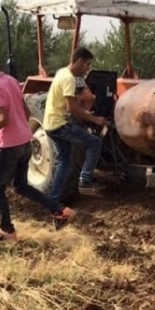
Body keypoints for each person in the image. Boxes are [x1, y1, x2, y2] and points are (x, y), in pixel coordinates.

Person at [0, 43, 76, 242]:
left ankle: (7, 231)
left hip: (8, 145)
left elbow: (2, 119)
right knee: (20, 185)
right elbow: (26, 112)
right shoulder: (10, 81)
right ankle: (61, 210)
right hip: (24, 141)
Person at [42, 46, 107, 200]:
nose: (87, 69)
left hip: (51, 124)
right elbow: (72, 108)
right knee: (94, 143)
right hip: (60, 125)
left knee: (64, 163)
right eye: (87, 64)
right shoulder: (69, 79)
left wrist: (85, 110)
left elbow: (78, 100)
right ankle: (85, 181)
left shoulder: (62, 72)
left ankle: (54, 200)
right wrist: (95, 119)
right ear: (79, 61)